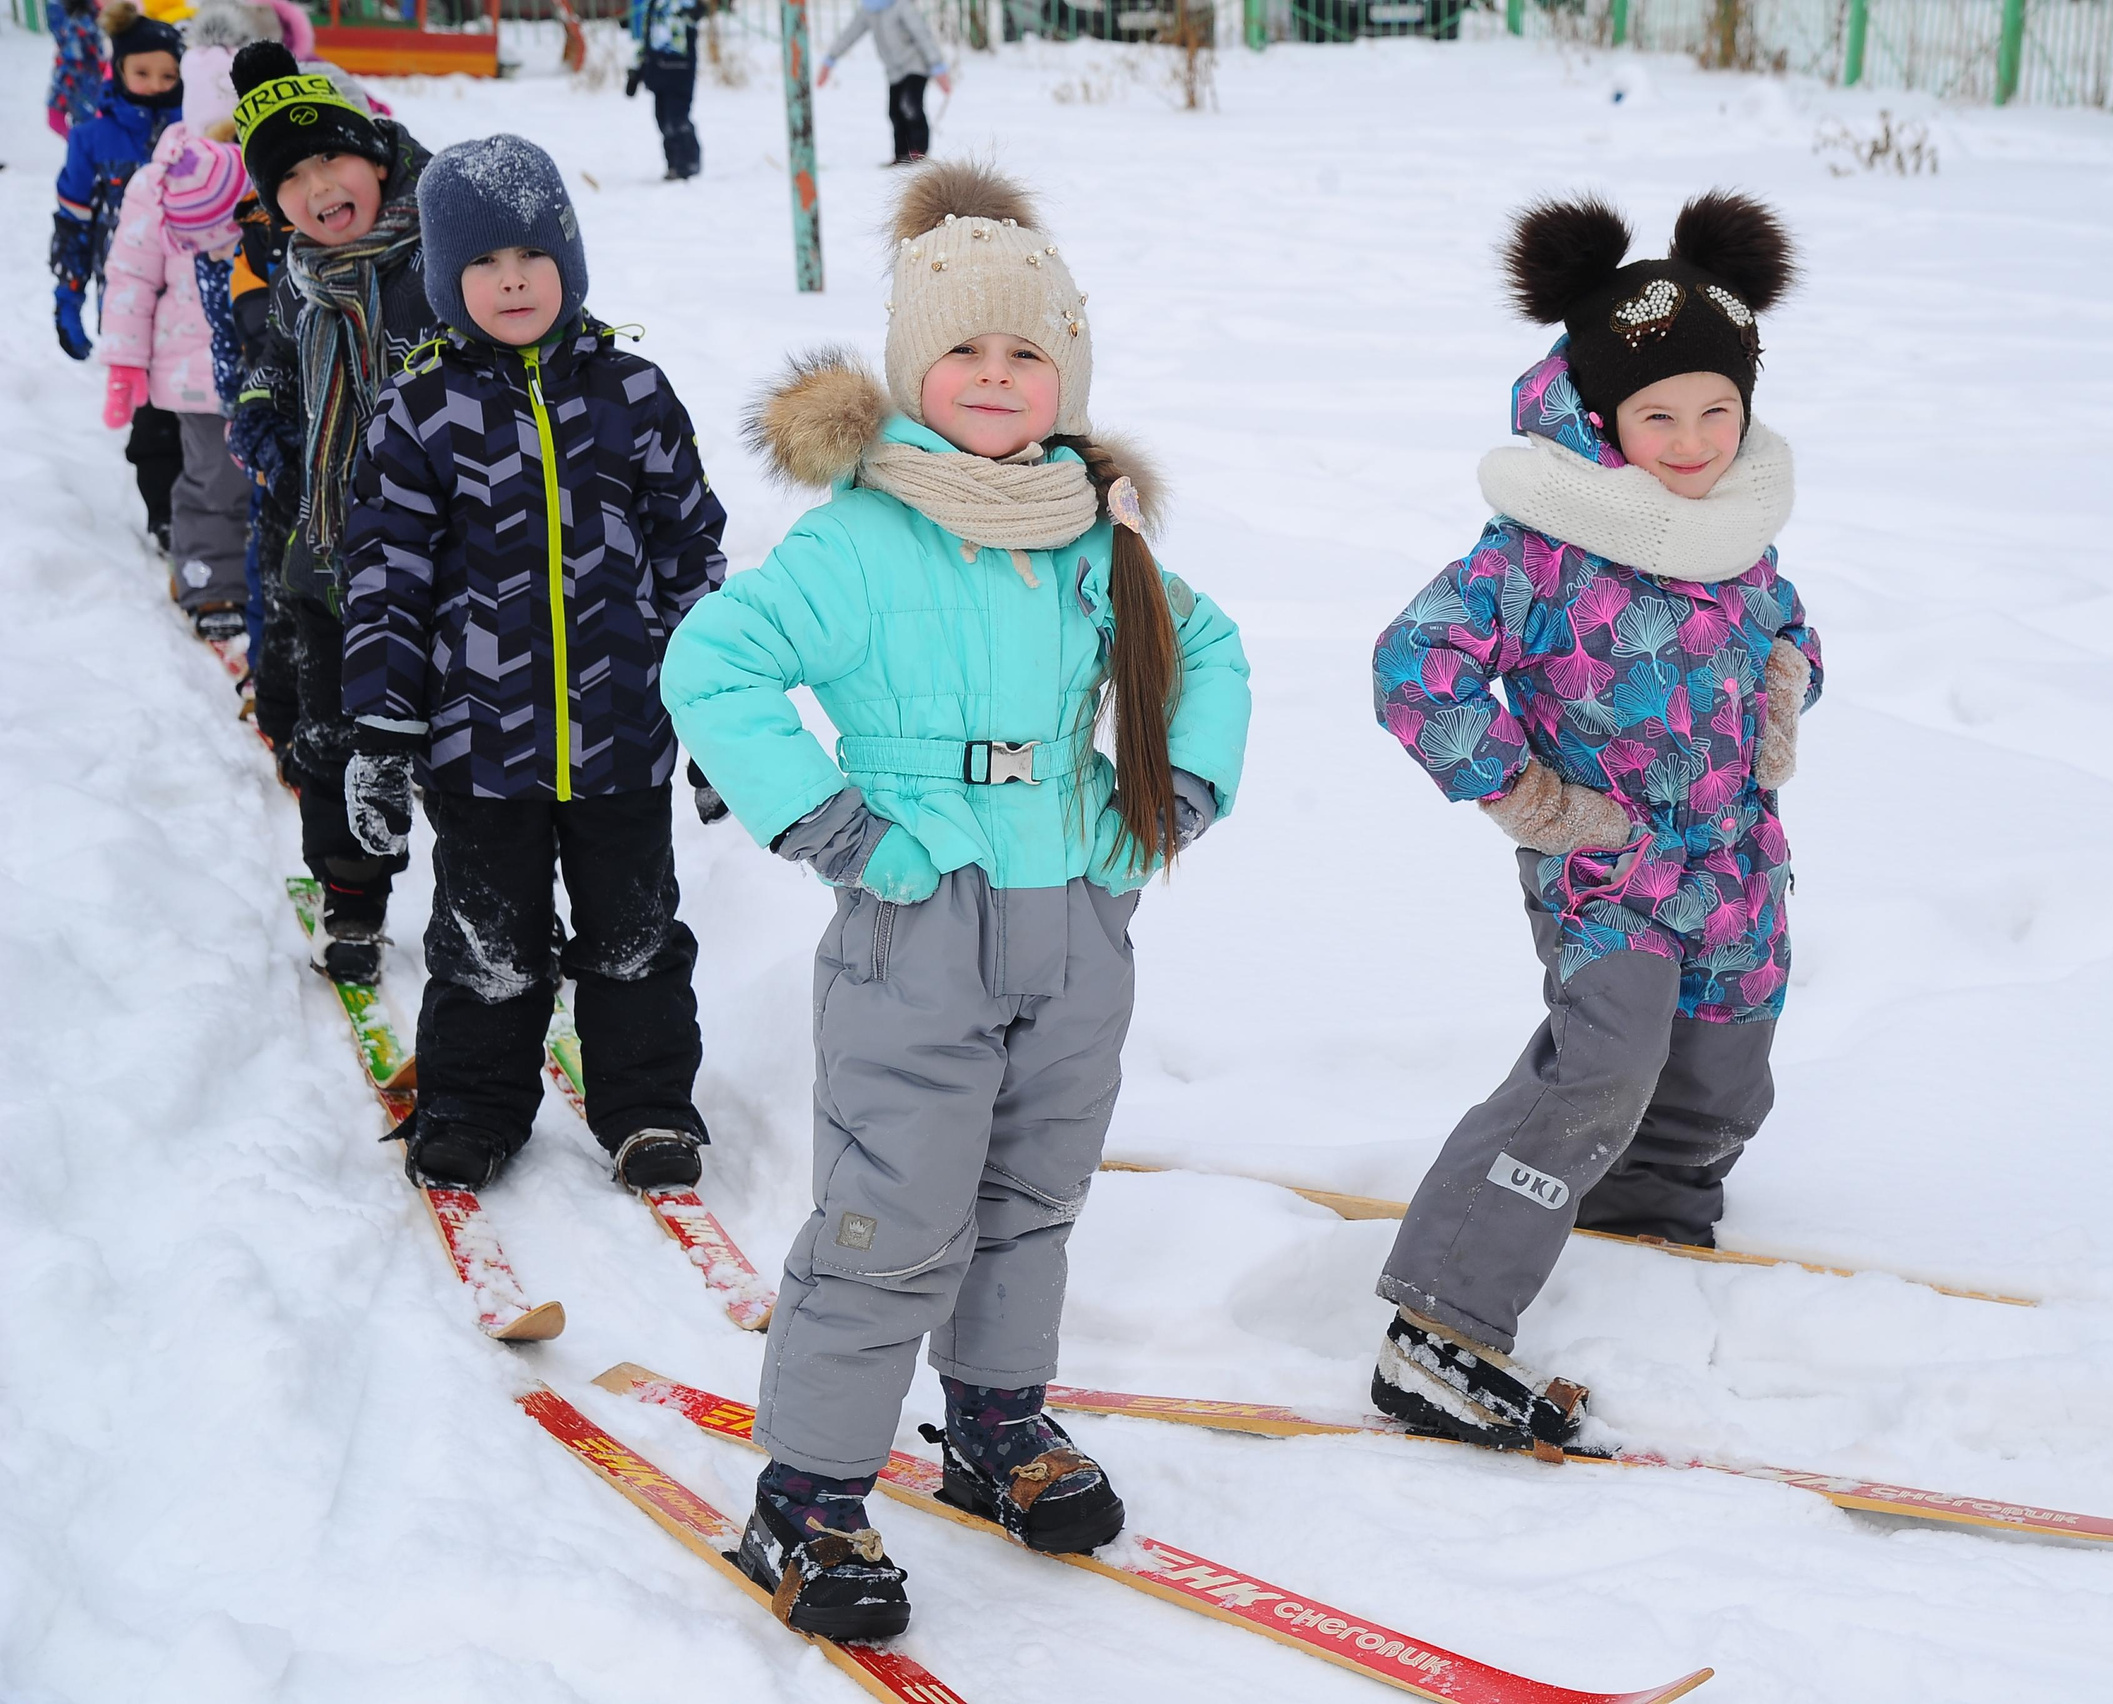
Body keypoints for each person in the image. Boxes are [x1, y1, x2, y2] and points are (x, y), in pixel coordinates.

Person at [662, 162, 1251, 1638]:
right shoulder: (861, 538)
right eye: (964, 349)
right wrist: (836, 824)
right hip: (919, 925)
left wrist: (1168, 797)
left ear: (1069, 378)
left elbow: (1211, 654)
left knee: (1030, 1197)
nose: (996, 374)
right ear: (911, 366)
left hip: (1077, 927)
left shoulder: (1094, 531)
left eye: (1027, 351)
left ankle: (995, 1423)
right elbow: (712, 664)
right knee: (895, 1208)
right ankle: (808, 1493)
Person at [1367, 192, 1820, 1456]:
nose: (1692, 441)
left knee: (1722, 1074)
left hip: (1736, 860)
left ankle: (1645, 1233)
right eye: (1657, 415)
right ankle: (1441, 1319)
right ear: (1601, 415)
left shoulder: (1738, 533)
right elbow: (1414, 666)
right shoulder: (1539, 547)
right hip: (1608, 861)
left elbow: (1785, 628)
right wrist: (1529, 797)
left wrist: (1785, 688)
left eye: (1716, 411)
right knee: (1603, 1067)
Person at [338, 135, 728, 1193]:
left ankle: (649, 1109)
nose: (511, 280)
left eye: (531, 256)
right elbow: (385, 582)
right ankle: (471, 1107)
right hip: (478, 746)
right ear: (444, 280)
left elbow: (691, 558)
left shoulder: (633, 393)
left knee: (635, 938)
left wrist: (720, 722)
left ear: (570, 261)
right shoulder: (418, 411)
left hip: (623, 734)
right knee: (486, 943)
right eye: (482, 263)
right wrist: (382, 732)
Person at [226, 39, 438, 982]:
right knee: (334, 732)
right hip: (332, 558)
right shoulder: (300, 272)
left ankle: (498, 897)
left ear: (377, 156)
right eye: (290, 177)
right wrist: (266, 414)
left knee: (470, 743)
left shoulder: (444, 252)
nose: (317, 188)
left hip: (450, 555)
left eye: (331, 158)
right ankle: (351, 897)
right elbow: (273, 360)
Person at [98, 128, 257, 639]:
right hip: (197, 372)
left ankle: (268, 576)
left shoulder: (279, 169)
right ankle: (211, 583)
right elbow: (132, 277)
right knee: (215, 479)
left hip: (272, 367)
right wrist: (125, 362)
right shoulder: (165, 180)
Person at [54, 1, 186, 554]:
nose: (155, 85)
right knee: (152, 413)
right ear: (119, 68)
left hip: (192, 300)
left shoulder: (194, 130)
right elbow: (73, 222)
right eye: (142, 72)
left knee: (197, 405)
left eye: (168, 75)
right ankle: (165, 514)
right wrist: (68, 294)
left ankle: (211, 509)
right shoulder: (92, 138)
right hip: (128, 301)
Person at [816, 0, 950, 167]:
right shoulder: (869, 9)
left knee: (910, 105)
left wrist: (937, 66)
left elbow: (922, 35)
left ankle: (918, 151)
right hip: (894, 72)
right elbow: (849, 35)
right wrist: (830, 60)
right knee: (894, 112)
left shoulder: (902, 6)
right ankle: (902, 154)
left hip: (915, 65)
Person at [624, 0, 704, 181]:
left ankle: (687, 164)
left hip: (680, 71)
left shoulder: (683, 3)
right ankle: (673, 163)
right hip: (658, 72)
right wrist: (635, 72)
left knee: (677, 119)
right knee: (662, 119)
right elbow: (647, 40)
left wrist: (698, 10)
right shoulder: (653, 5)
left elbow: (698, 11)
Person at [45, 0, 111, 138]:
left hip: (98, 97)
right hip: (87, 96)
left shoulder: (96, 20)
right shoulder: (82, 24)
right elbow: (71, 64)